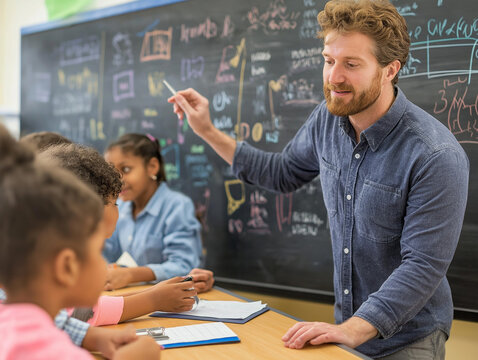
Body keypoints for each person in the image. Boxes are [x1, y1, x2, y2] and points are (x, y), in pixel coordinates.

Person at [167, 0, 469, 358]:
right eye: (329, 61)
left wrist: (351, 330)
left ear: (390, 70)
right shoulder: (327, 120)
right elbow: (282, 173)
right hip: (344, 329)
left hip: (408, 338)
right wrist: (207, 130)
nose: (334, 77)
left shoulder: (435, 154)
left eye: (351, 64)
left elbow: (422, 266)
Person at [0, 124, 161, 359]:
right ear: (67, 266)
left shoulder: (11, 318)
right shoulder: (47, 350)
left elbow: (57, 322)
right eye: (98, 251)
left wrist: (93, 337)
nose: (104, 262)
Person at [40, 143, 214, 324]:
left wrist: (152, 293)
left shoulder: (48, 245)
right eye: (114, 202)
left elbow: (79, 308)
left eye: (126, 168)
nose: (118, 206)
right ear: (89, 205)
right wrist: (153, 299)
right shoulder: (62, 256)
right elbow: (81, 313)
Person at [103, 133, 203, 290]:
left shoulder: (177, 206)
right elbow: (106, 253)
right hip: (131, 298)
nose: (117, 180)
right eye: (111, 172)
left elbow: (184, 265)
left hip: (169, 302)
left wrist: (131, 275)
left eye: (126, 169)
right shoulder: (119, 208)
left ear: (152, 167)